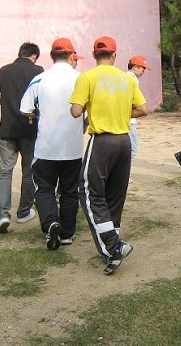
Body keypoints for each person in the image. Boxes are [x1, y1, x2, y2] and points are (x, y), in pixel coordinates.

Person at [69, 36, 148, 275]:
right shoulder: (127, 79)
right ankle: (113, 241)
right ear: (114, 55)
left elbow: (75, 111)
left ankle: (114, 246)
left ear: (94, 55)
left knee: (89, 191)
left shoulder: (87, 77)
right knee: (115, 193)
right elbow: (143, 109)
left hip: (102, 141)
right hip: (123, 140)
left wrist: (89, 105)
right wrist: (120, 112)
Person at [20, 38, 85, 250]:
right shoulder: (81, 79)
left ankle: (50, 223)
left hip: (46, 148)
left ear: (51, 56)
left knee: (44, 188)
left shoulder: (40, 79)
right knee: (69, 191)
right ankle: (67, 232)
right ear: (72, 55)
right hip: (73, 149)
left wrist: (40, 114)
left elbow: (25, 109)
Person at [0, 42, 44, 233]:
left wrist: (7, 102)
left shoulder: (4, 70)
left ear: (20, 53)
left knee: (5, 171)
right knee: (28, 171)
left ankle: (3, 214)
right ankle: (23, 211)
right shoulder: (38, 71)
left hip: (7, 129)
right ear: (34, 56)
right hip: (29, 129)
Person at [127, 55, 151, 163]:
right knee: (132, 150)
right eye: (142, 68)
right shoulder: (132, 79)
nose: (143, 71)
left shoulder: (124, 77)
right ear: (135, 67)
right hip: (129, 120)